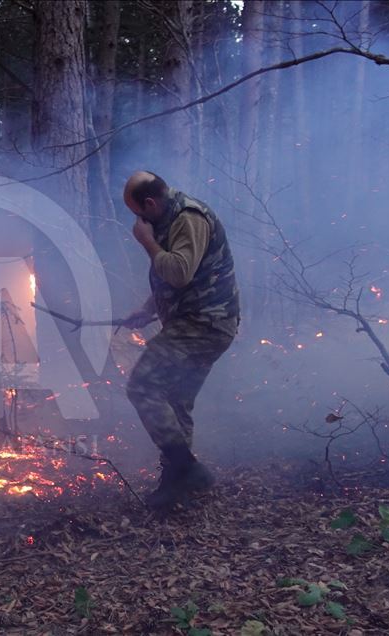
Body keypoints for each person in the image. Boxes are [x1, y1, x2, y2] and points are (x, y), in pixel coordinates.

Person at [120, 171, 240, 510]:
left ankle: (187, 470)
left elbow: (179, 272)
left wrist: (147, 242)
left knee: (142, 386)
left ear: (150, 203)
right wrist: (148, 309)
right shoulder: (171, 216)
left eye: (140, 215)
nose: (140, 223)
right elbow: (181, 276)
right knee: (176, 399)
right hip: (202, 322)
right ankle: (176, 486)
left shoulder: (189, 218)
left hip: (204, 323)